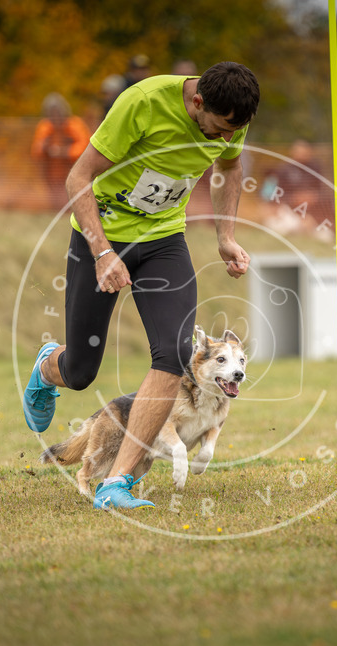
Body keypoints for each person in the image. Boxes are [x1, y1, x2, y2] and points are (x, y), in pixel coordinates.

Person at [23, 61, 260, 510]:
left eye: (236, 131)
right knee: (81, 371)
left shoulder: (232, 122)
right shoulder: (143, 102)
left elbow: (229, 169)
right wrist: (102, 252)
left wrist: (225, 236)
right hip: (102, 234)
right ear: (197, 102)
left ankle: (117, 484)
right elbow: (78, 177)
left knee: (172, 355)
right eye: (220, 128)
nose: (227, 138)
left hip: (164, 241)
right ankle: (47, 368)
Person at [31, 93, 90, 206]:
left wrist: (63, 152)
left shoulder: (75, 125)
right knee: (56, 203)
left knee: (71, 200)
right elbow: (36, 151)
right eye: (51, 113)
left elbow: (85, 148)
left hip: (73, 170)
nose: (55, 116)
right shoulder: (45, 127)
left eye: (57, 112)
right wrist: (43, 148)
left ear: (64, 111)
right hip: (52, 174)